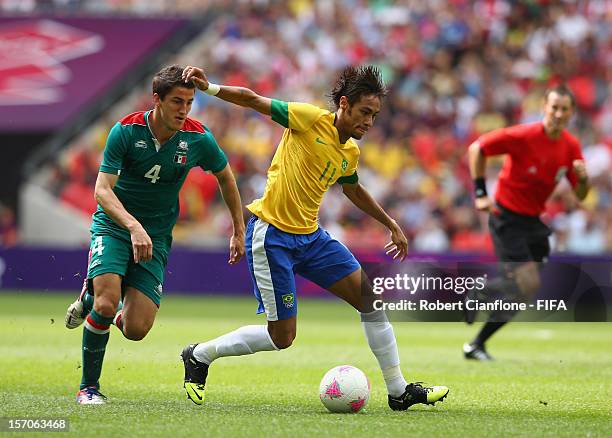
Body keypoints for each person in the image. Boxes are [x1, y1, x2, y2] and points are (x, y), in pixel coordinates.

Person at [179, 65, 449, 410]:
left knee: (370, 300)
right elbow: (252, 100)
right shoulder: (308, 119)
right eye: (365, 112)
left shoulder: (349, 151)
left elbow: (353, 189)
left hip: (311, 238)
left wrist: (390, 222)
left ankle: (399, 391)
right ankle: (199, 355)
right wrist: (210, 88)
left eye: (375, 115)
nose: (369, 121)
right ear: (344, 104)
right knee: (283, 338)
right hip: (272, 236)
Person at [64, 65, 246, 404]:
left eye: (189, 102)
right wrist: (133, 226)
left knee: (136, 330)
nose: (183, 109)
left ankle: (90, 300)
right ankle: (89, 388)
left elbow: (226, 177)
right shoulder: (125, 131)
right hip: (115, 227)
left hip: (157, 237)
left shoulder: (198, 138)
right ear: (156, 100)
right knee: (106, 303)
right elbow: (102, 190)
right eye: (177, 101)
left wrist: (238, 229)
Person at [463, 84, 590, 360]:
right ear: (544, 107)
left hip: (533, 221)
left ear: (571, 113)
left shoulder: (570, 146)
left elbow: (580, 194)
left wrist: (583, 178)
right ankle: (479, 299)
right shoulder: (524, 135)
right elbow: (477, 149)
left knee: (524, 291)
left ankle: (477, 340)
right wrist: (482, 193)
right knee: (525, 283)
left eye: (564, 109)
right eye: (554, 107)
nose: (558, 113)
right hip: (507, 217)